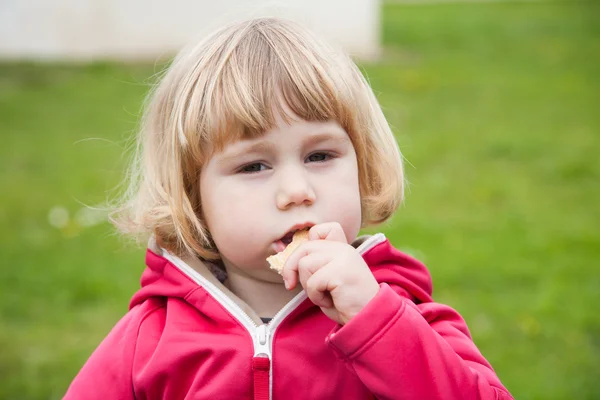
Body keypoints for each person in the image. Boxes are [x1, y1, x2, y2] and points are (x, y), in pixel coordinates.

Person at [65, 17, 513, 400]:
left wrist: (377, 322)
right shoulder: (150, 339)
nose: (297, 191)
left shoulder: (401, 311)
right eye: (254, 165)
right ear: (193, 196)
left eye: (320, 156)